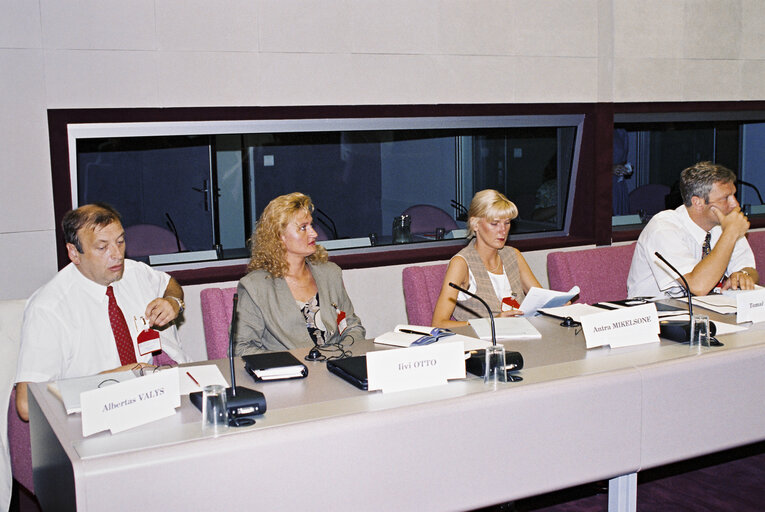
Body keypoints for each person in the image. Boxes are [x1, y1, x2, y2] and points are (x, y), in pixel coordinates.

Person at [15, 203, 191, 421]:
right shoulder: (49, 308)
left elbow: (169, 283)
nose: (117, 255)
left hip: (155, 399)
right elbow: (26, 406)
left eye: (120, 241)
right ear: (74, 253)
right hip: (94, 415)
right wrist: (114, 377)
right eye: (102, 247)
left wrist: (173, 301)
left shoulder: (133, 273)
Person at [234, 192, 365, 355]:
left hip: (336, 366)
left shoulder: (330, 273)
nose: (314, 233)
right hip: (289, 375)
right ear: (279, 237)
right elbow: (241, 348)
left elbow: (352, 327)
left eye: (311, 225)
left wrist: (337, 354)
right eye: (303, 227)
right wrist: (293, 363)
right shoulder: (255, 287)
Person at [627, 161, 758, 299]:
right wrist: (730, 233)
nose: (735, 204)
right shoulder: (663, 228)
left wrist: (743, 275)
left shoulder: (724, 224)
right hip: (656, 313)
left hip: (702, 311)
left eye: (734, 195)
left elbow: (751, 270)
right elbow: (698, 286)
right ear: (698, 203)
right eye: (726, 198)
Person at [431, 189, 542, 329]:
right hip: (483, 344)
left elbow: (540, 301)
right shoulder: (461, 264)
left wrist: (556, 305)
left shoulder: (513, 255)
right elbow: (438, 324)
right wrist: (490, 324)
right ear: (475, 224)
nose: (503, 230)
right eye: (495, 224)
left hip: (522, 334)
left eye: (507, 223)